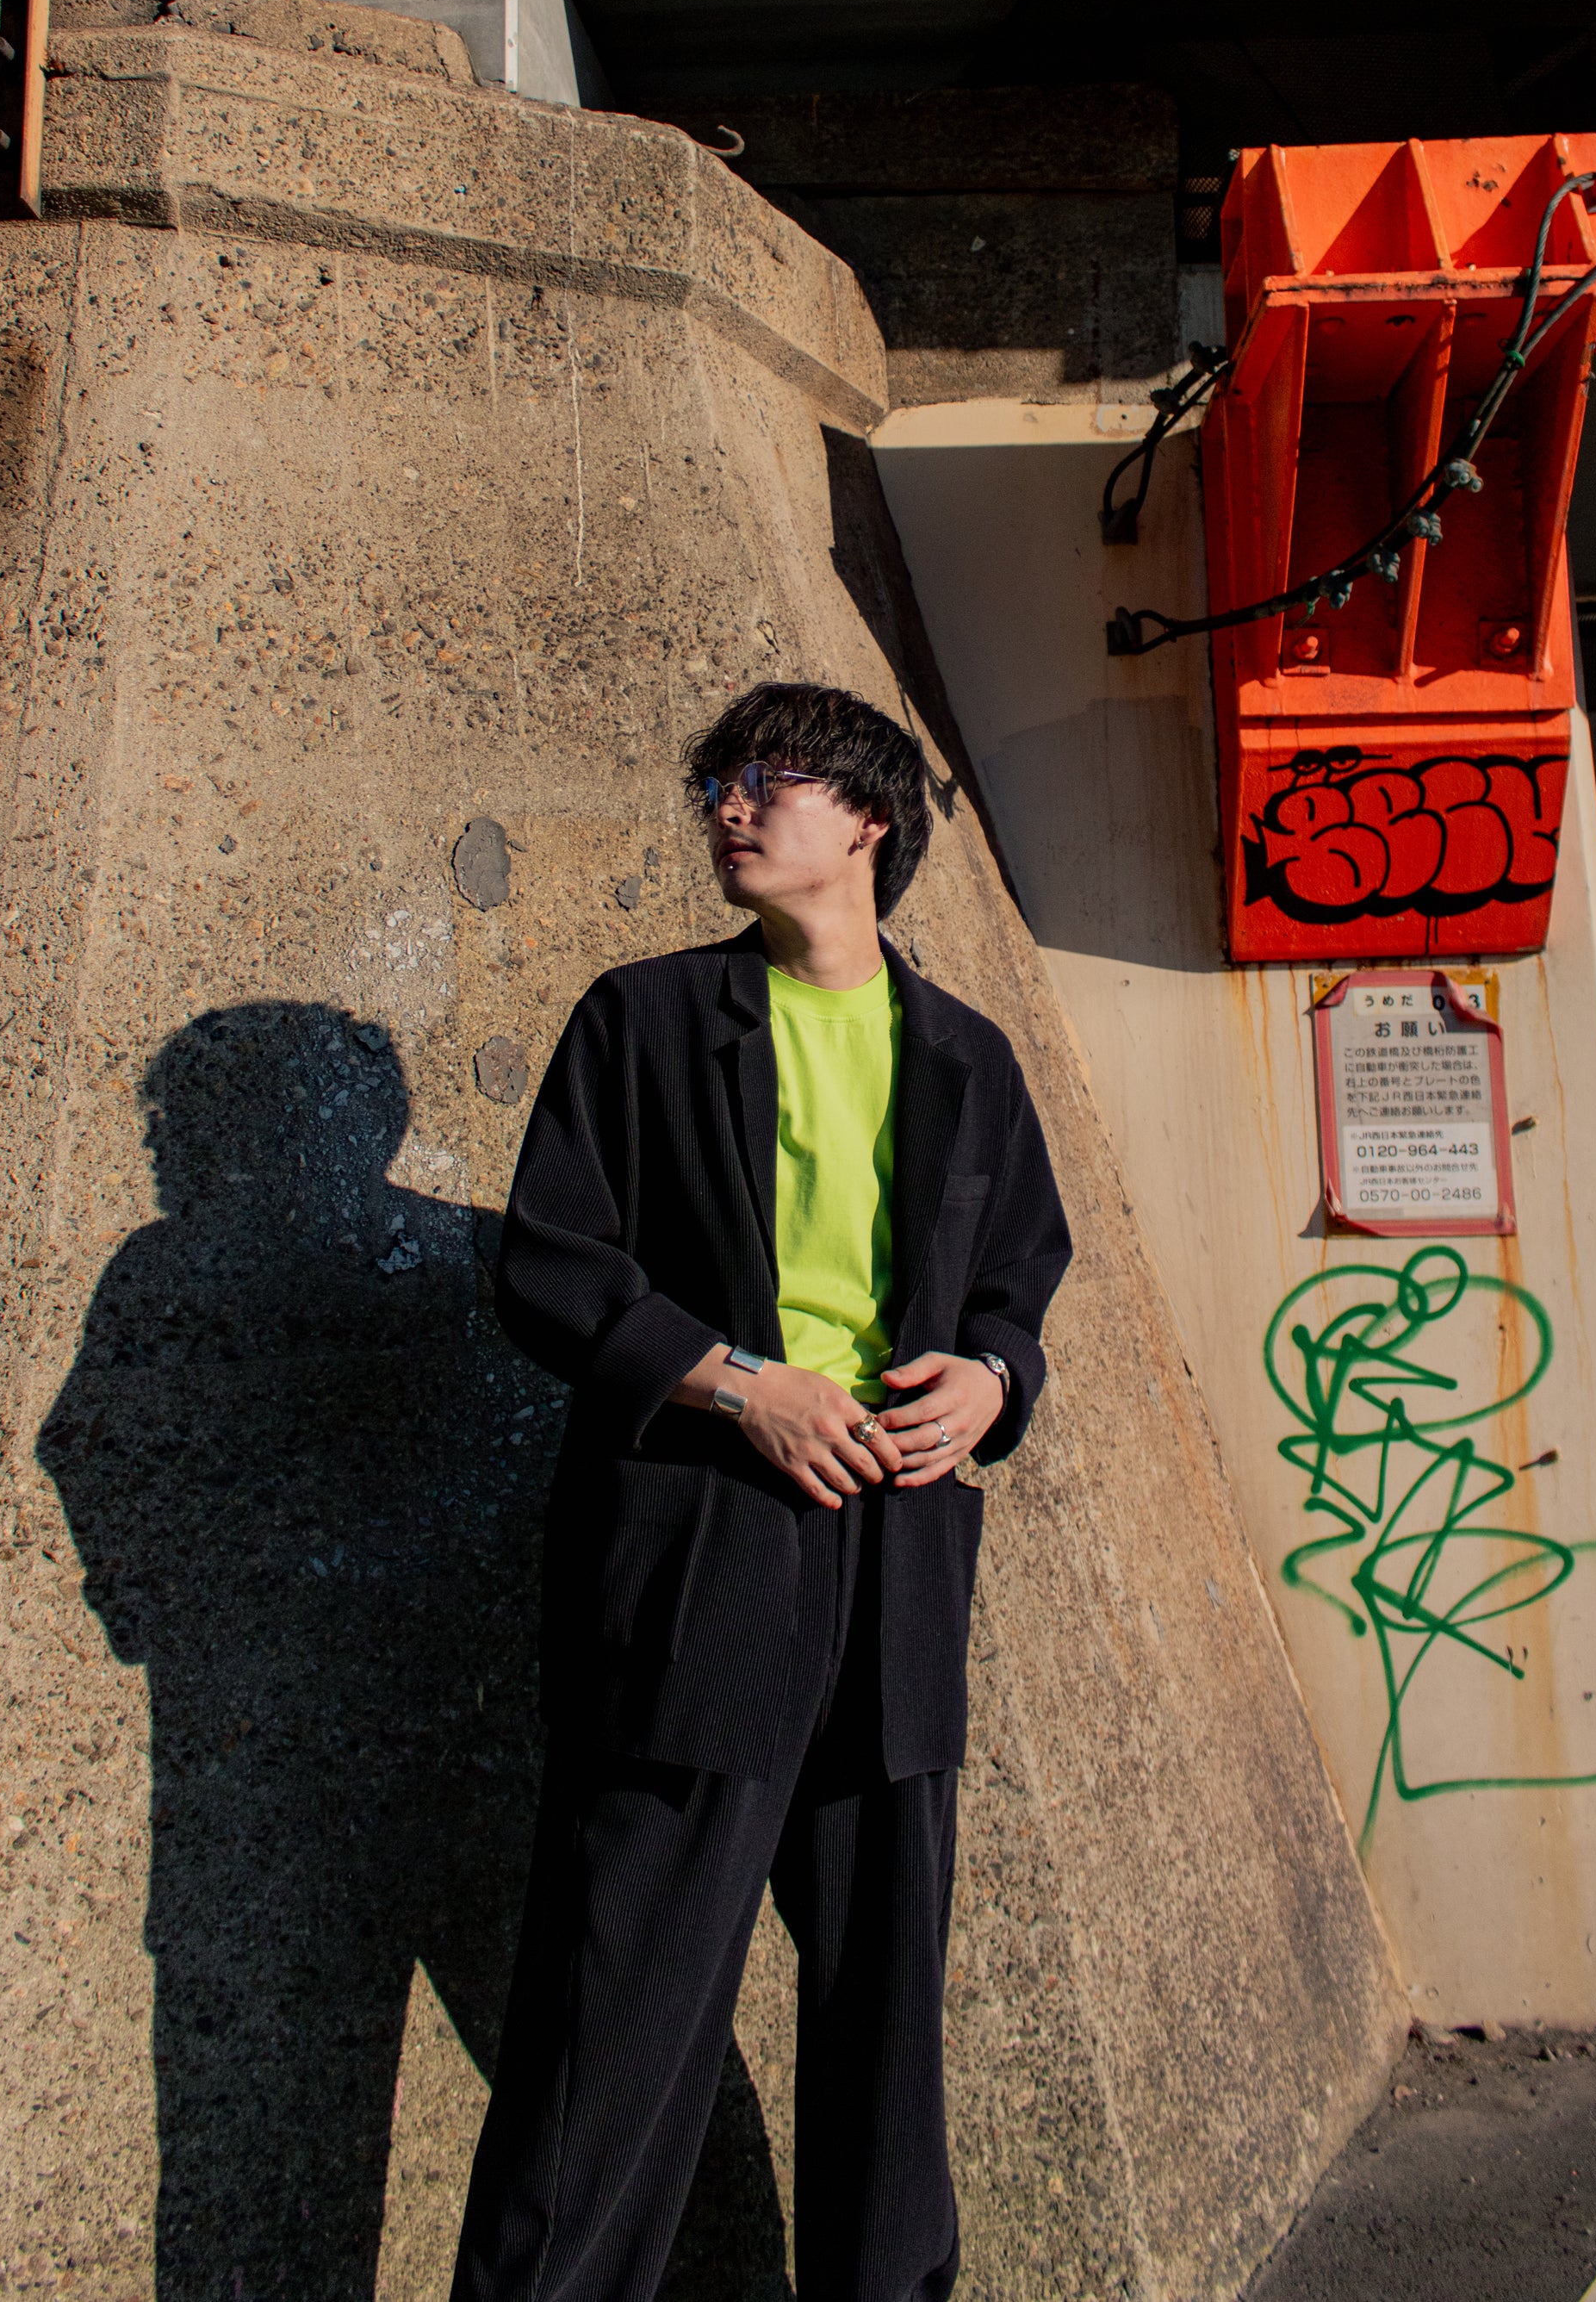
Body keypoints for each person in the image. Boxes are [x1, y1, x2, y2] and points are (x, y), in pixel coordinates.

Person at [450, 681, 1071, 2302]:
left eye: (767, 778)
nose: (728, 804)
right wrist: (738, 1384)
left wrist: (992, 1379)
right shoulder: (645, 1021)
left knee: (887, 2011)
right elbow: (550, 1265)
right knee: (617, 2006)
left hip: (900, 1553)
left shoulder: (965, 1054)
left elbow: (1016, 1278)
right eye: (716, 781)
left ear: (868, 819)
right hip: (701, 1550)